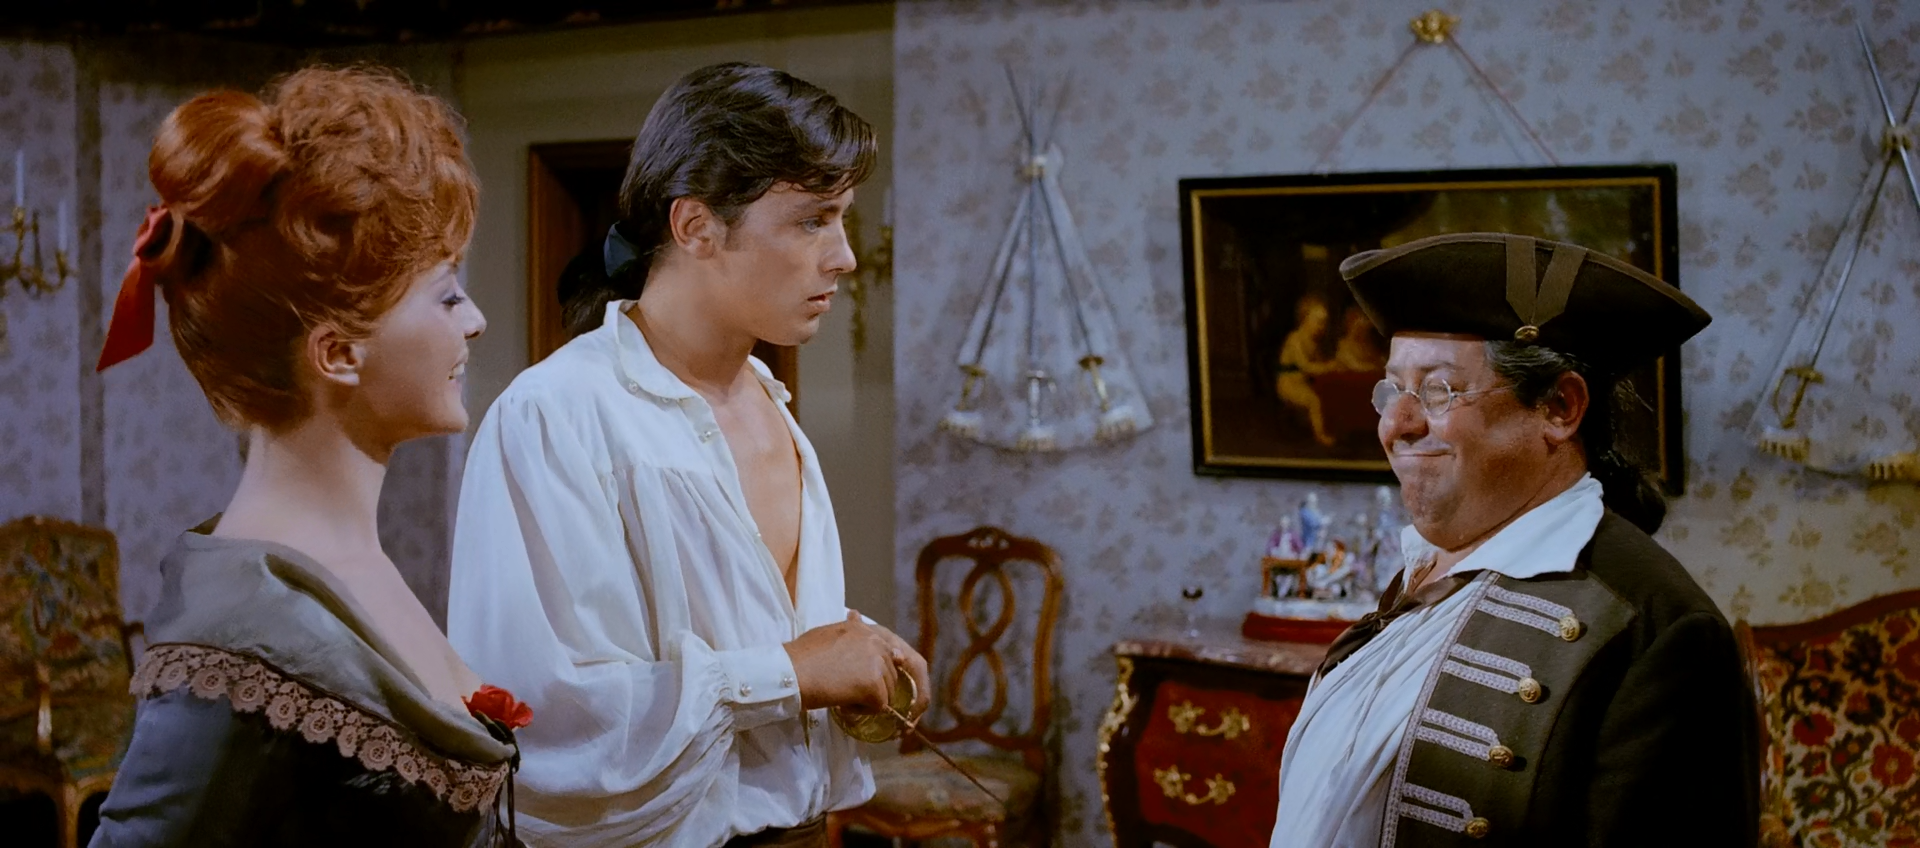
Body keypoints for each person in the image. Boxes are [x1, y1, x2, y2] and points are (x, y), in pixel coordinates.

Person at [448, 62, 930, 848]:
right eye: (813, 221)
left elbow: (738, 627)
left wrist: (852, 649)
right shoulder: (555, 415)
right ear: (696, 226)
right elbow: (547, 717)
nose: (844, 256)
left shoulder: (773, 405)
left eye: (843, 219)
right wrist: (794, 671)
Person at [88, 66, 523, 847]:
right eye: (446, 293)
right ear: (338, 353)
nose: (476, 320)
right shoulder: (243, 634)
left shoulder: (338, 568)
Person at [1269, 232, 1758, 846]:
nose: (1396, 424)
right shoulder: (1428, 571)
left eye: (1438, 390)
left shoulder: (1660, 631)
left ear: (1558, 408)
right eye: (1391, 391)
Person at [1277, 297, 1339, 446]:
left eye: (1324, 322)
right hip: (1288, 384)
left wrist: (1332, 364)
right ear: (1305, 319)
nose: (1322, 327)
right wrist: (1328, 367)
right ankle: (1320, 435)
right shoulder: (1295, 339)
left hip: (1304, 383)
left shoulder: (1314, 342)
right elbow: (1305, 367)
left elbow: (1319, 362)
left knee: (1328, 393)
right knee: (1313, 401)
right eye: (1318, 321)